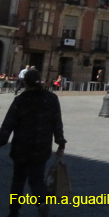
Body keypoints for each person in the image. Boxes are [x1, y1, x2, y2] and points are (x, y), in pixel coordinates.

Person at [0, 69, 66, 217]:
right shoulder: (51, 99)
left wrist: (2, 140)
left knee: (18, 180)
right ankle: (42, 202)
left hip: (21, 147)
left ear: (25, 83)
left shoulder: (21, 100)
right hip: (41, 147)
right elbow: (57, 123)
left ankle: (14, 211)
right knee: (37, 179)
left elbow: (8, 124)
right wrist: (60, 143)